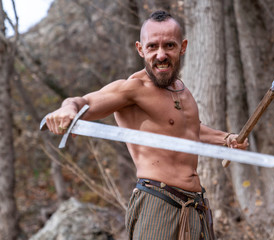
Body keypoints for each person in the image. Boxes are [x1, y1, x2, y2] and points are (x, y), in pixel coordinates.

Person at [45, 10, 248, 240]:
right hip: (158, 204)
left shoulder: (182, 90)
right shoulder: (133, 89)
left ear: (183, 47)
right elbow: (84, 102)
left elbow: (189, 131)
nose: (161, 55)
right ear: (141, 49)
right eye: (152, 47)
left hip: (195, 209)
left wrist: (226, 138)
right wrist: (67, 109)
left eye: (169, 45)